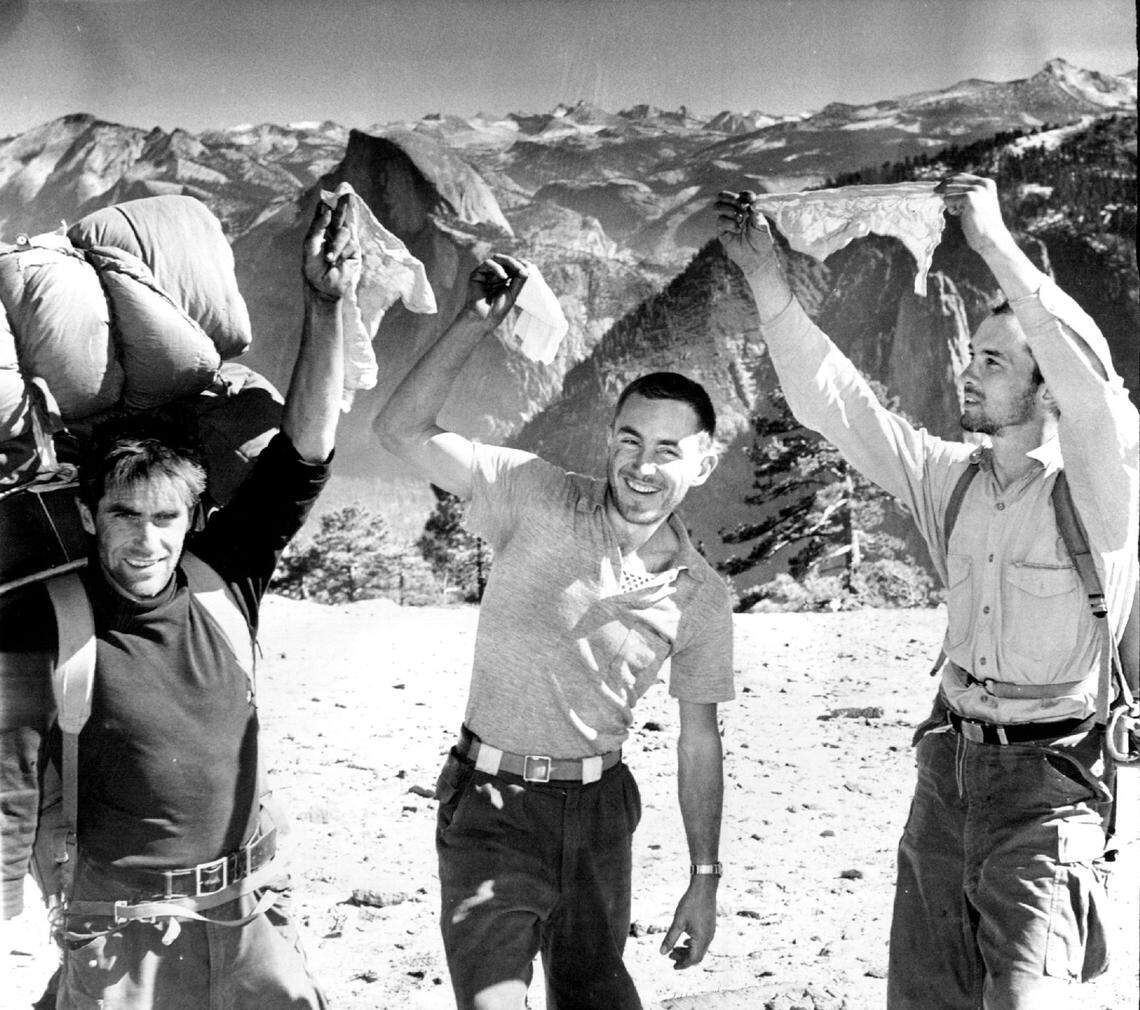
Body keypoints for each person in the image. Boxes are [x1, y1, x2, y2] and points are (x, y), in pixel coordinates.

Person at [714, 175, 1138, 1010]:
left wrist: (993, 243)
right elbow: (838, 405)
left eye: (993, 361)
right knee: (923, 1002)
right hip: (945, 771)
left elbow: (1092, 387)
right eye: (970, 353)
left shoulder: (1102, 493)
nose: (966, 371)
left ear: (1047, 386)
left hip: (1051, 786)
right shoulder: (952, 481)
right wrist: (766, 277)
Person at [374, 255, 735, 1010]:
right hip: (490, 809)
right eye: (630, 440)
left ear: (702, 466)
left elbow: (698, 739)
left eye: (669, 451)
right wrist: (474, 320)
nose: (641, 465)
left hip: (600, 819)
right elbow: (400, 429)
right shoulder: (533, 493)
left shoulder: (701, 597)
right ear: (609, 438)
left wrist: (704, 880)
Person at [26, 193, 358, 1010]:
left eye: (165, 518)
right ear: (86, 513)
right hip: (118, 944)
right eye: (124, 515)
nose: (145, 541)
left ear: (196, 518)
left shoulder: (223, 580)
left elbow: (306, 450)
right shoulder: (50, 619)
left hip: (246, 924)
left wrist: (326, 303)